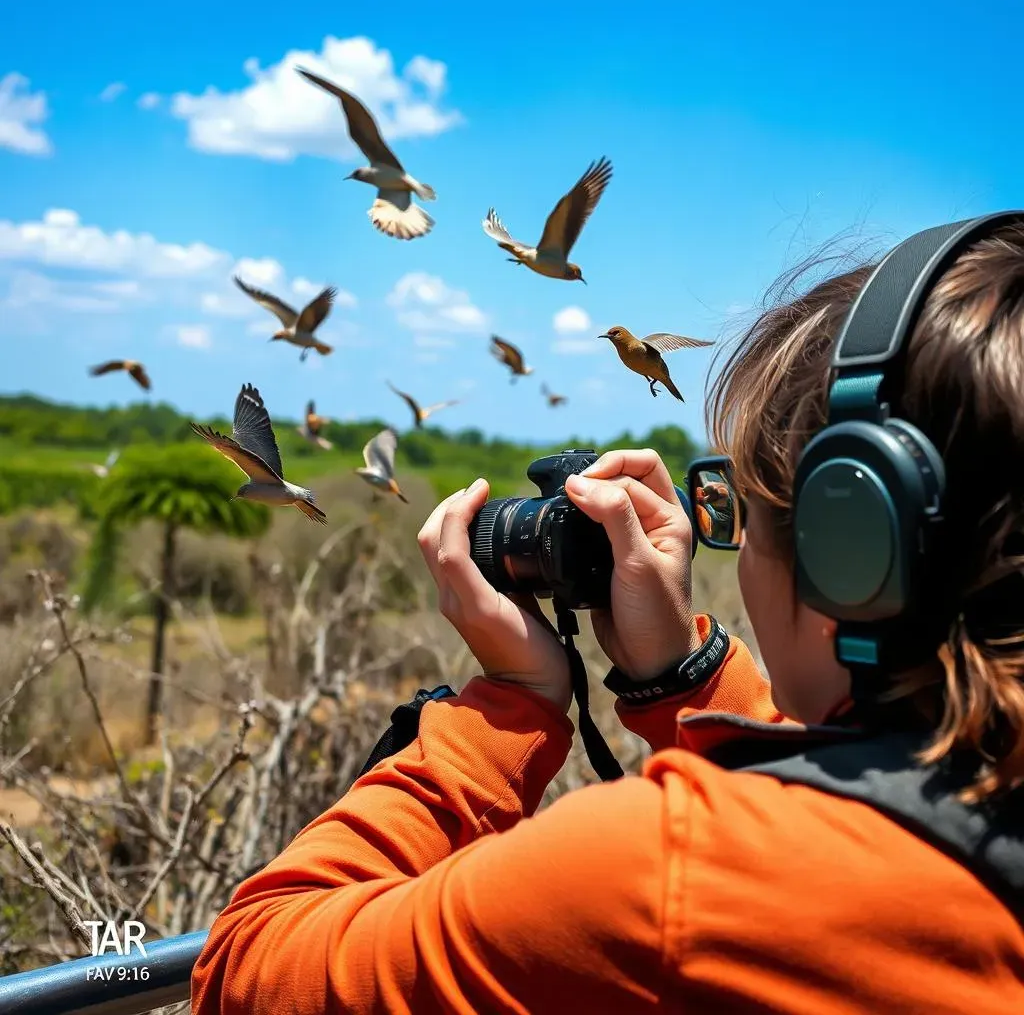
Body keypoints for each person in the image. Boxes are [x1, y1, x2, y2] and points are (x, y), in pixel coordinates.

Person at [191, 222, 1024, 1014]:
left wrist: (509, 705)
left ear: (855, 539)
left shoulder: (670, 879)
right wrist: (680, 676)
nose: (727, 535)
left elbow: (245, 971)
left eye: (745, 509)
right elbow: (871, 804)